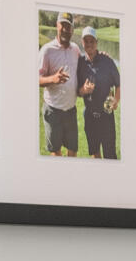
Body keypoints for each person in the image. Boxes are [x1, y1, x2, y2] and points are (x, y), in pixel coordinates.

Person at [38, 19, 82, 155]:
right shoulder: (47, 50)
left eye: (69, 26)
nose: (65, 29)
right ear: (57, 26)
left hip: (71, 111)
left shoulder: (75, 49)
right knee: (56, 152)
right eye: (63, 25)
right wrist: (53, 79)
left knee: (72, 151)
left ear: (72, 30)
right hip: (53, 111)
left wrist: (102, 56)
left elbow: (85, 67)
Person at [77, 30, 120, 159]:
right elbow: (77, 92)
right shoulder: (80, 63)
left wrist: (116, 100)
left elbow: (119, 84)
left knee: (110, 155)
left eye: (92, 41)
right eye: (86, 41)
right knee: (95, 153)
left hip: (106, 116)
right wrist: (84, 90)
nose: (89, 44)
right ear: (82, 42)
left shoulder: (107, 61)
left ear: (97, 43)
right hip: (89, 116)